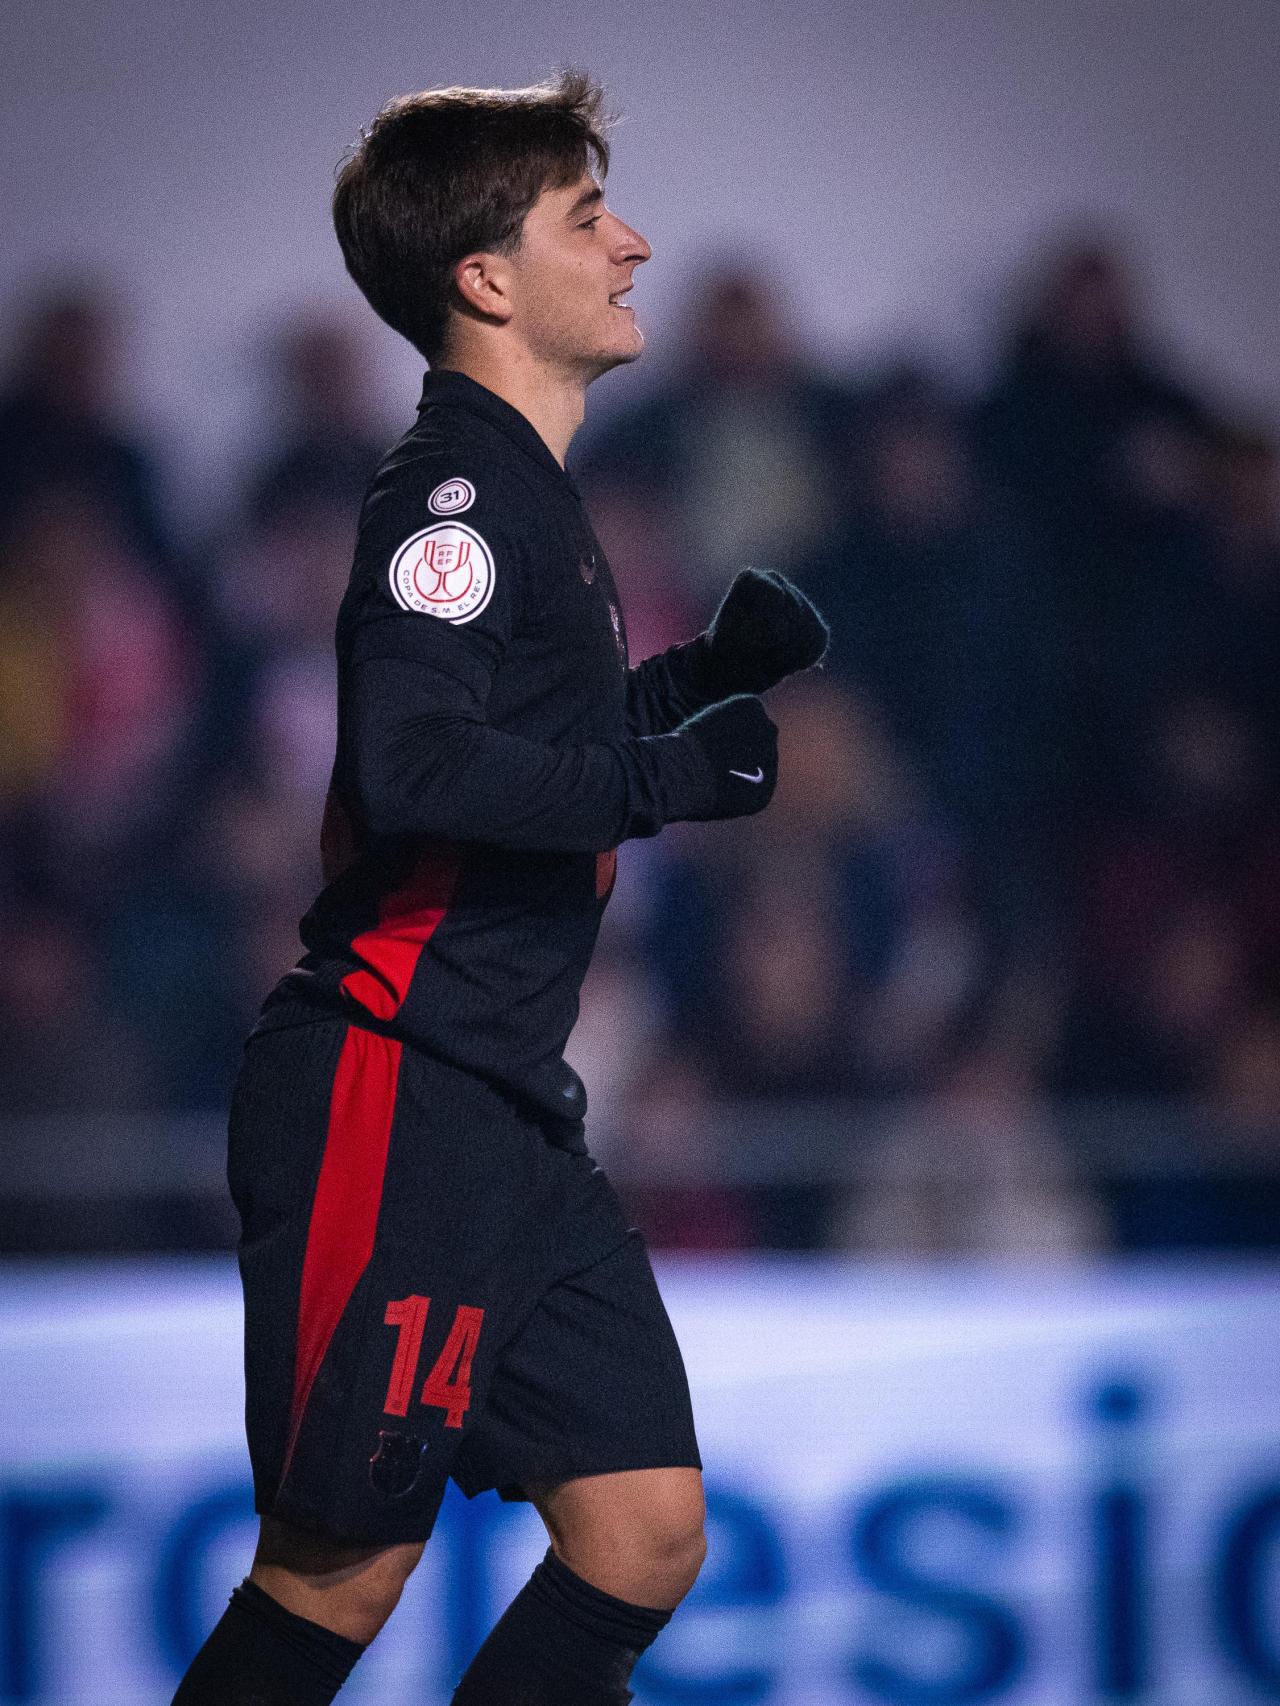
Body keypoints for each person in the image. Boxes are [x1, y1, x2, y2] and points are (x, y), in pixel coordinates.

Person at [172, 71, 828, 1706]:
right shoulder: (453, 497)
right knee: (336, 1570)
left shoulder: (528, 492)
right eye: (587, 217)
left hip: (502, 1105)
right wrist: (674, 779)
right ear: (484, 277)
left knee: (644, 1532)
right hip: (392, 1092)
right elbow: (416, 766)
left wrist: (694, 681)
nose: (633, 244)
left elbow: (513, 750)